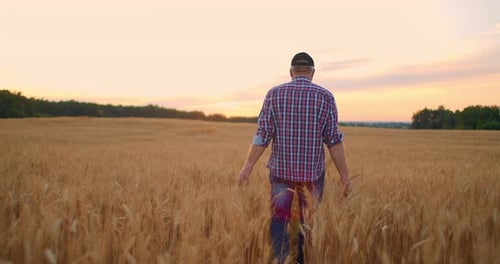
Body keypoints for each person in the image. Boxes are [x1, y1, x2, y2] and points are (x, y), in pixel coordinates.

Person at [238, 52, 353, 263]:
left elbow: (262, 135)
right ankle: (302, 260)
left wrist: (248, 165)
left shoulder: (274, 94)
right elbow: (334, 140)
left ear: (291, 72)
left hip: (281, 174)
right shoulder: (325, 96)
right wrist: (345, 176)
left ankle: (279, 260)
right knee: (307, 221)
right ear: (312, 72)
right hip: (312, 175)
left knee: (280, 218)